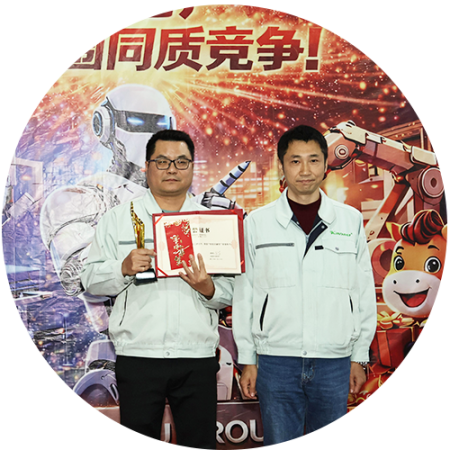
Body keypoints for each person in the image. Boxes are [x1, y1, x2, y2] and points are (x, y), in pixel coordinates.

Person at [81, 129, 234, 449]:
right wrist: (122, 268)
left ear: (192, 166)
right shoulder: (118, 219)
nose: (172, 169)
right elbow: (90, 280)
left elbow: (233, 291)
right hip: (139, 355)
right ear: (147, 166)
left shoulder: (214, 223)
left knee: (200, 443)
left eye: (181, 162)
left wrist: (208, 288)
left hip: (197, 356)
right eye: (162, 161)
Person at [232, 125, 377, 445]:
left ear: (325, 165)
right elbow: (245, 293)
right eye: (295, 161)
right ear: (282, 167)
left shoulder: (349, 220)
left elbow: (362, 291)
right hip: (275, 361)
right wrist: (248, 359)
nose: (305, 170)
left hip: (334, 361)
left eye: (313, 160)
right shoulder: (257, 223)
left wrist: (359, 355)